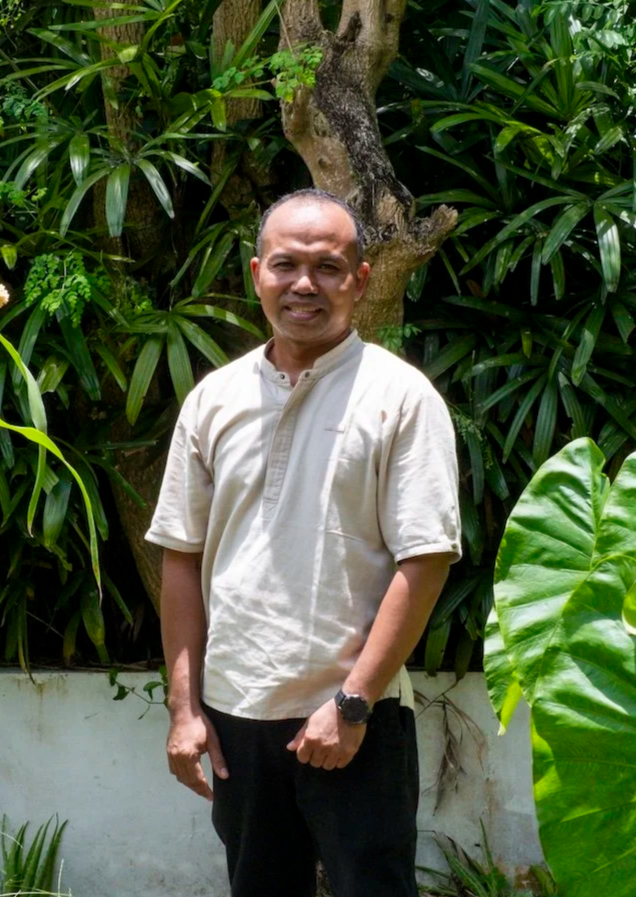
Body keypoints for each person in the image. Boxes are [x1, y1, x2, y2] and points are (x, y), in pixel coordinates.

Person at [145, 188, 461, 897]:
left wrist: (351, 705)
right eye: (286, 264)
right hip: (237, 719)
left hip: (357, 718)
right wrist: (185, 707)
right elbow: (182, 558)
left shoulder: (401, 399)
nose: (304, 284)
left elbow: (425, 561)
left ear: (361, 278)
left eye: (327, 266)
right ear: (257, 273)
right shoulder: (213, 401)